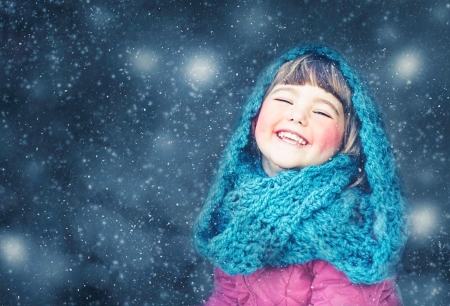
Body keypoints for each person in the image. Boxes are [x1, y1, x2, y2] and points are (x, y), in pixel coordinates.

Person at [192, 43, 409, 305]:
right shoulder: (239, 209)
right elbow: (227, 297)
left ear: (346, 141)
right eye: (284, 99)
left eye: (321, 111)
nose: (297, 116)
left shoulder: (348, 226)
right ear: (254, 116)